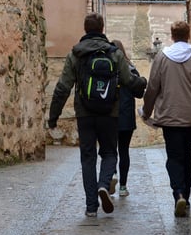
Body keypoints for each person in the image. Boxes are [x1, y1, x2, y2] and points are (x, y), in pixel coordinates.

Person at [48, 13, 146, 217]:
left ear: (85, 29)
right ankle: (104, 185)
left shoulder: (76, 53)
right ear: (102, 29)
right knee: (110, 153)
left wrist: (53, 117)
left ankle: (91, 206)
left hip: (84, 113)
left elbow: (62, 87)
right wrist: (143, 85)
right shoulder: (114, 53)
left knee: (88, 157)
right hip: (110, 113)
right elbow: (129, 81)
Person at [141, 20, 191, 217]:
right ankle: (187, 196)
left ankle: (179, 193)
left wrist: (146, 112)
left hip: (169, 116)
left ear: (172, 36)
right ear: (188, 34)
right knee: (187, 154)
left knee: (173, 157)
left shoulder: (161, 58)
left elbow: (152, 89)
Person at [110, 40, 145, 197]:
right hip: (126, 116)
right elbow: (139, 92)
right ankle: (123, 187)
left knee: (109, 150)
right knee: (124, 150)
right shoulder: (130, 69)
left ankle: (111, 175)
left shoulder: (106, 68)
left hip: (108, 115)